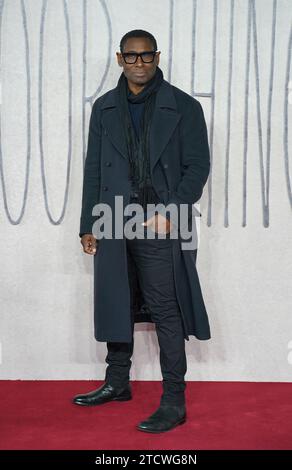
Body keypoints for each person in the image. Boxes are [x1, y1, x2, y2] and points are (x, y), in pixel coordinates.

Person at [73, 29, 211, 433]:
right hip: (112, 216)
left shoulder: (183, 107)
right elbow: (94, 170)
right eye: (131, 57)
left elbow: (198, 167)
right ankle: (117, 382)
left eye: (146, 56)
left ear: (157, 57)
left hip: (160, 220)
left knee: (166, 307)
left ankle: (174, 400)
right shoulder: (104, 109)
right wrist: (88, 224)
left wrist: (172, 211)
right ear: (119, 60)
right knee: (118, 300)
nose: (139, 63)